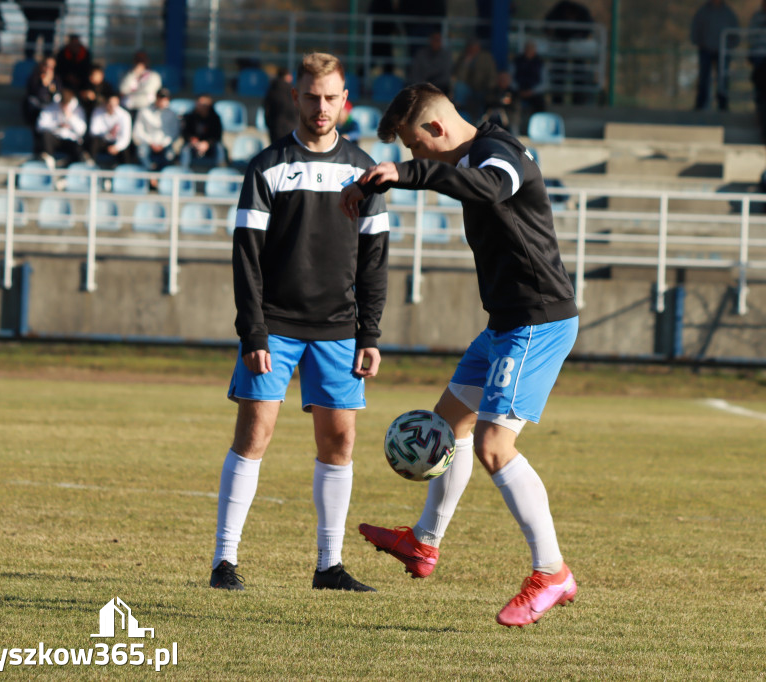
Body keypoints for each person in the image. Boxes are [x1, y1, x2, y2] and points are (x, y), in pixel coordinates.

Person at [338, 82, 580, 628]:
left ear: (437, 130)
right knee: (447, 427)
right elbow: (452, 178)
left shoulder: (502, 155)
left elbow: (489, 189)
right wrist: (385, 179)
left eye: (415, 147)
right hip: (503, 325)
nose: (415, 157)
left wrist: (410, 173)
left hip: (537, 322)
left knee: (496, 445)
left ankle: (552, 572)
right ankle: (424, 544)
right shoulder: (472, 151)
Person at [208, 52, 389, 594]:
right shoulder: (267, 166)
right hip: (276, 326)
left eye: (331, 97)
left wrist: (370, 333)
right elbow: (246, 255)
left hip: (338, 329)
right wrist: (253, 331)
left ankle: (329, 567)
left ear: (345, 101)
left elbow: (374, 259)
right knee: (254, 433)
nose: (321, 107)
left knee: (339, 443)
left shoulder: (365, 170)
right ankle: (224, 562)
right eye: (311, 96)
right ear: (296, 97)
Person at [690, 0, 740, 111]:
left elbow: (735, 31)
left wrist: (731, 45)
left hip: (722, 51)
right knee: (704, 77)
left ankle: (723, 104)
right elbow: (696, 26)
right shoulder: (703, 11)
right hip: (706, 49)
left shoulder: (728, 12)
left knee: (723, 78)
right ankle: (700, 104)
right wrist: (698, 42)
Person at [36, 87, 87, 167]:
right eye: (62, 103)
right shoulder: (51, 107)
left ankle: (68, 169)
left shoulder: (78, 110)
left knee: (78, 150)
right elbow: (40, 126)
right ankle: (49, 160)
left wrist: (70, 117)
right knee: (46, 136)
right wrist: (57, 125)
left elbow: (82, 131)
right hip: (55, 139)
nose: (64, 106)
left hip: (70, 140)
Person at [133, 88, 179, 173]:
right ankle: (150, 176)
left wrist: (163, 144)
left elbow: (173, 133)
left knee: (170, 155)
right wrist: (150, 142)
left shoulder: (172, 114)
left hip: (164, 144)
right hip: (148, 143)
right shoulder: (144, 111)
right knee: (141, 152)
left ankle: (162, 177)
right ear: (156, 98)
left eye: (165, 99)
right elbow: (138, 131)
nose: (162, 101)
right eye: (160, 98)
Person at [454, 39, 497, 121]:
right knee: (459, 87)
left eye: (474, 47)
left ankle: (480, 120)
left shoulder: (486, 57)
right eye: (470, 47)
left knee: (484, 99)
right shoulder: (463, 57)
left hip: (483, 88)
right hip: (468, 88)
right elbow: (459, 78)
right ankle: (460, 116)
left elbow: (492, 75)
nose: (472, 50)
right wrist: (466, 63)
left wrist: (490, 88)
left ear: (478, 48)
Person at [180, 94, 225, 168]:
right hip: (194, 145)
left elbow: (217, 136)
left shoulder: (215, 118)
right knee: (185, 149)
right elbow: (185, 133)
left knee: (219, 148)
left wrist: (207, 143)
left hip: (210, 146)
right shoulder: (189, 117)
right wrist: (192, 139)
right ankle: (183, 173)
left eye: (203, 104)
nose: (200, 105)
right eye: (199, 103)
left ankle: (220, 173)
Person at [87, 93, 133, 166]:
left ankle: (125, 170)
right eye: (110, 104)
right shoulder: (98, 111)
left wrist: (117, 147)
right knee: (94, 143)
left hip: (117, 143)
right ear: (105, 103)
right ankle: (91, 165)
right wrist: (107, 133)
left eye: (114, 104)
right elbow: (93, 131)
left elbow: (126, 138)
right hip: (103, 141)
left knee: (125, 151)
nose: (112, 107)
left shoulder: (124, 115)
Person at [119, 51, 163, 118]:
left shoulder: (154, 76)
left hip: (146, 108)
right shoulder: (128, 75)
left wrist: (131, 91)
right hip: (129, 108)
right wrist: (133, 73)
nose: (140, 63)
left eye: (142, 60)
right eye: (138, 60)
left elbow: (147, 90)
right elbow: (122, 90)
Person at [23, 56, 61, 130]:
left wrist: (50, 86)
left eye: (52, 67)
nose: (48, 69)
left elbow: (57, 96)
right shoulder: (34, 78)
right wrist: (43, 85)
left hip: (51, 110)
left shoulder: (56, 79)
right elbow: (35, 95)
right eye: (46, 65)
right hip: (36, 109)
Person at [513, 41, 546, 126]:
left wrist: (532, 91)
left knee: (541, 104)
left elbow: (545, 83)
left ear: (535, 51)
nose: (529, 51)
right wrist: (518, 89)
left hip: (534, 92)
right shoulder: (517, 61)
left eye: (531, 49)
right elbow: (510, 79)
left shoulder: (540, 63)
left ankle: (540, 126)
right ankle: (514, 127)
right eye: (527, 49)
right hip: (518, 91)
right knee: (511, 103)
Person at [262, 68, 299, 143]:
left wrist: (270, 125)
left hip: (275, 128)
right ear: (288, 77)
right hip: (292, 127)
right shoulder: (293, 91)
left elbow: (267, 110)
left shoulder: (271, 90)